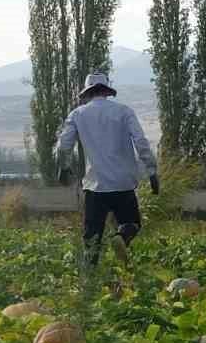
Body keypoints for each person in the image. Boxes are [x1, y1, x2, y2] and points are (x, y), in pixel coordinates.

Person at [55, 72, 159, 268]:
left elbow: (63, 145)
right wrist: (152, 170)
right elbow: (141, 142)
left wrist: (64, 167)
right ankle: (121, 238)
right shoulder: (124, 111)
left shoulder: (78, 114)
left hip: (95, 186)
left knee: (91, 240)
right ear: (107, 90)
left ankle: (89, 282)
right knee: (131, 225)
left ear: (88, 92)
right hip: (124, 184)